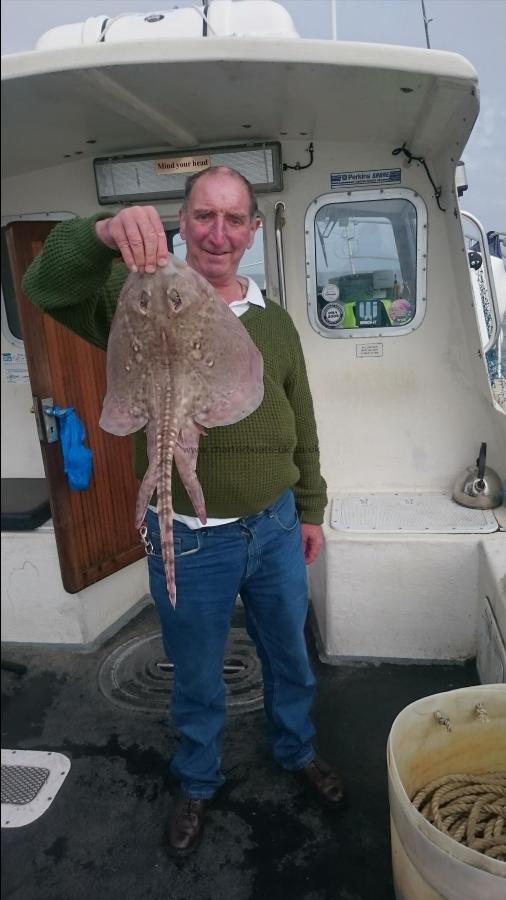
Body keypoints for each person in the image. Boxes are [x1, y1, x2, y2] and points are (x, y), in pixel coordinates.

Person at [22, 166, 345, 857]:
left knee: (290, 656)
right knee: (196, 672)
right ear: (182, 221)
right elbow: (45, 283)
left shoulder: (277, 321)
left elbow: (303, 419)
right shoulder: (133, 293)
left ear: (254, 231)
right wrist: (103, 234)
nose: (218, 234)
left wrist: (310, 507)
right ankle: (197, 781)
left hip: (277, 525)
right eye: (204, 216)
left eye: (234, 219)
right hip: (193, 536)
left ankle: (297, 749)